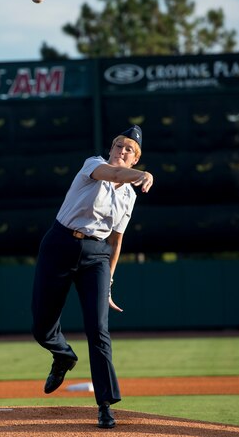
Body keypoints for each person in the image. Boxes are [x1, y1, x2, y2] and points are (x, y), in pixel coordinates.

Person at [31, 125, 153, 429]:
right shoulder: (93, 165)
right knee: (42, 326)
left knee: (98, 330)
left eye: (129, 150)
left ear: (135, 158)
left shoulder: (129, 197)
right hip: (60, 244)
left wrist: (109, 282)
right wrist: (140, 176)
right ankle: (62, 356)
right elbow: (113, 175)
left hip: (96, 256)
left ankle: (105, 405)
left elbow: (116, 241)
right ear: (110, 150)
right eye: (118, 146)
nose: (121, 151)